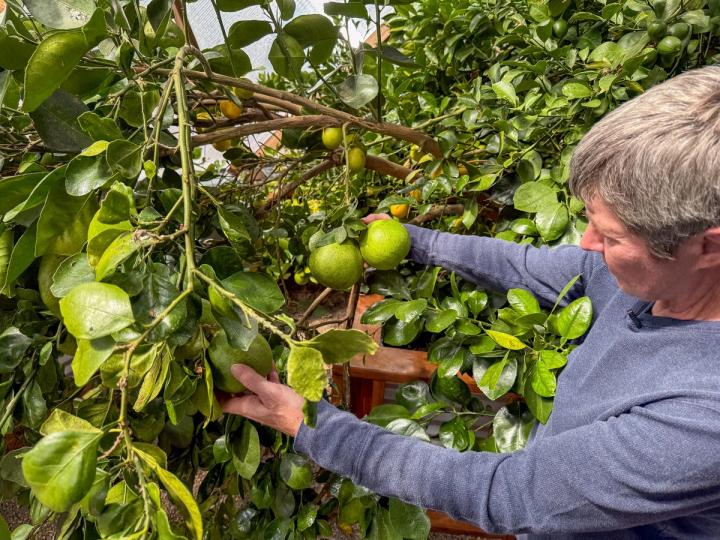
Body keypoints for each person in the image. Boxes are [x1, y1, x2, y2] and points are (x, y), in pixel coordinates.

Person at [220, 65, 720, 538]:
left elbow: (506, 492)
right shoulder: (639, 281)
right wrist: (413, 242)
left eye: (610, 236)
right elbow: (529, 265)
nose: (587, 243)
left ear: (708, 246)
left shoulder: (704, 415)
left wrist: (313, 425)